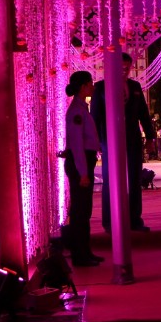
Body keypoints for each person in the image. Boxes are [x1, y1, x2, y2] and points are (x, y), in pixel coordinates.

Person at [91, 52, 155, 232]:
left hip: (133, 138)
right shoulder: (101, 88)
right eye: (121, 67)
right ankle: (110, 221)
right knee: (111, 180)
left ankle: (135, 219)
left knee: (135, 178)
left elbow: (144, 114)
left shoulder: (135, 86)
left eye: (127, 68)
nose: (124, 71)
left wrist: (150, 137)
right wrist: (95, 142)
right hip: (109, 140)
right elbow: (94, 117)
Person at [63, 71, 103, 266]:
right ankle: (80, 254)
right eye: (90, 84)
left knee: (84, 210)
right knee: (80, 211)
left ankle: (85, 251)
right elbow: (77, 144)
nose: (92, 87)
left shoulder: (80, 109)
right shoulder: (77, 111)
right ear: (83, 87)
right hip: (80, 162)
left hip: (83, 160)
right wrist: (83, 172)